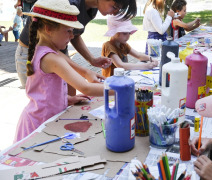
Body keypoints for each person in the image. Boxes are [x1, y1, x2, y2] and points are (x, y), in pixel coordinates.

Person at [14, 0, 107, 143]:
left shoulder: (50, 51)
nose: (72, 36)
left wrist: (64, 99)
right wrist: (121, 88)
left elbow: (43, 92)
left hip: (44, 118)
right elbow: (85, 87)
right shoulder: (50, 58)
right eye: (68, 31)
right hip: (40, 124)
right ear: (48, 29)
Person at [15, 0, 137, 90]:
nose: (115, 13)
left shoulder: (92, 9)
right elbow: (85, 88)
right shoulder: (68, 5)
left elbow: (75, 34)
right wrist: (121, 90)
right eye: (115, 7)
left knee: (66, 91)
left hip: (56, 49)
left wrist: (91, 61)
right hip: (31, 50)